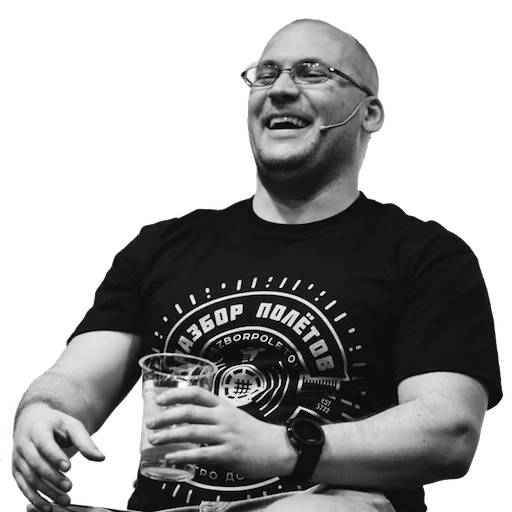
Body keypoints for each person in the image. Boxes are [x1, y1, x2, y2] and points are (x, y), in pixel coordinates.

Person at [12, 17, 502, 512]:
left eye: (312, 72)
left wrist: (280, 446)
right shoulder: (164, 244)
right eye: (265, 74)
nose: (281, 89)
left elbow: (449, 431)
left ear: (370, 112)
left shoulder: (428, 254)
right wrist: (41, 412)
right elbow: (78, 378)